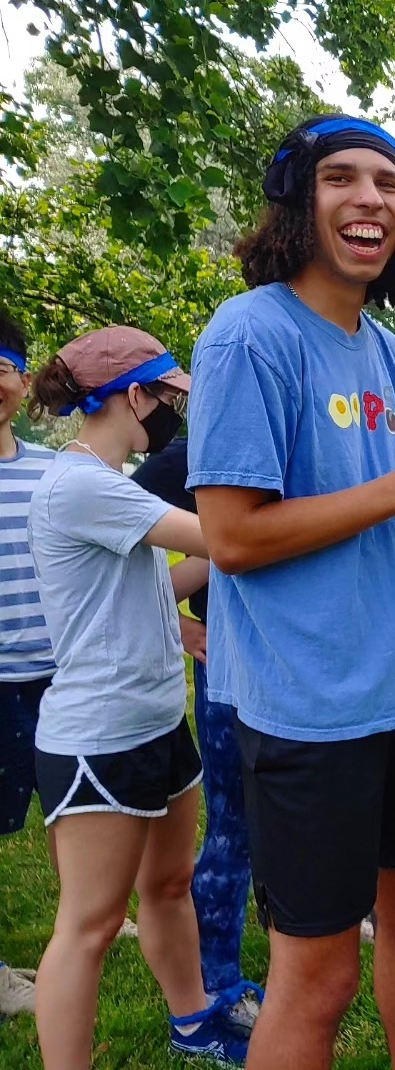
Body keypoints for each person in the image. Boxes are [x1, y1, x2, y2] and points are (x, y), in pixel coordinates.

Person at [186, 114, 395, 1070]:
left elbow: (378, 523)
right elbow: (235, 538)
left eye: (388, 183)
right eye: (342, 178)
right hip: (307, 707)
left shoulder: (379, 347)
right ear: (300, 199)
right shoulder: (249, 335)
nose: (370, 198)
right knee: (319, 974)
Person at [27, 326, 251, 1066]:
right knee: (88, 926)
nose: (176, 415)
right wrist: (257, 520)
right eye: (171, 398)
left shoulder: (110, 485)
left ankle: (193, 1022)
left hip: (157, 721)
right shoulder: (82, 484)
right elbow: (227, 539)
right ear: (134, 395)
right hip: (100, 738)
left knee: (168, 885)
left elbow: (166, 577)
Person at [131, 438, 264, 1031]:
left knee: (303, 808)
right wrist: (177, 622)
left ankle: (301, 923)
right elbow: (105, 547)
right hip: (230, 657)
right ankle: (217, 978)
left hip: (308, 654)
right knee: (234, 822)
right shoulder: (191, 452)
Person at [0, 309, 53, 1018]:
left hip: (60, 675)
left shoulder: (50, 471)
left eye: (5, 368)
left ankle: (94, 912)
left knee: (75, 809)